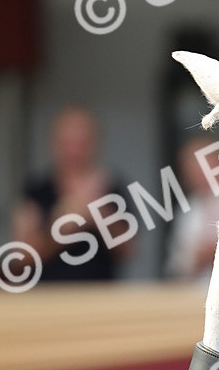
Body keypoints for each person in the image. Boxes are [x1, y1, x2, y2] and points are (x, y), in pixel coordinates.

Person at [12, 107, 131, 281]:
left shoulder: (111, 187)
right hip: (47, 296)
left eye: (82, 144)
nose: (74, 151)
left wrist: (97, 214)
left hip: (100, 296)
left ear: (95, 144)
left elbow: (128, 250)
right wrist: (59, 230)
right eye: (67, 144)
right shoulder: (37, 190)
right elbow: (21, 257)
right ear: (54, 145)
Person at [165, 136, 219, 280]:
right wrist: (196, 259)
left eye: (204, 165)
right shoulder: (187, 211)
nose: (196, 173)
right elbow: (177, 265)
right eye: (190, 168)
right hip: (197, 293)